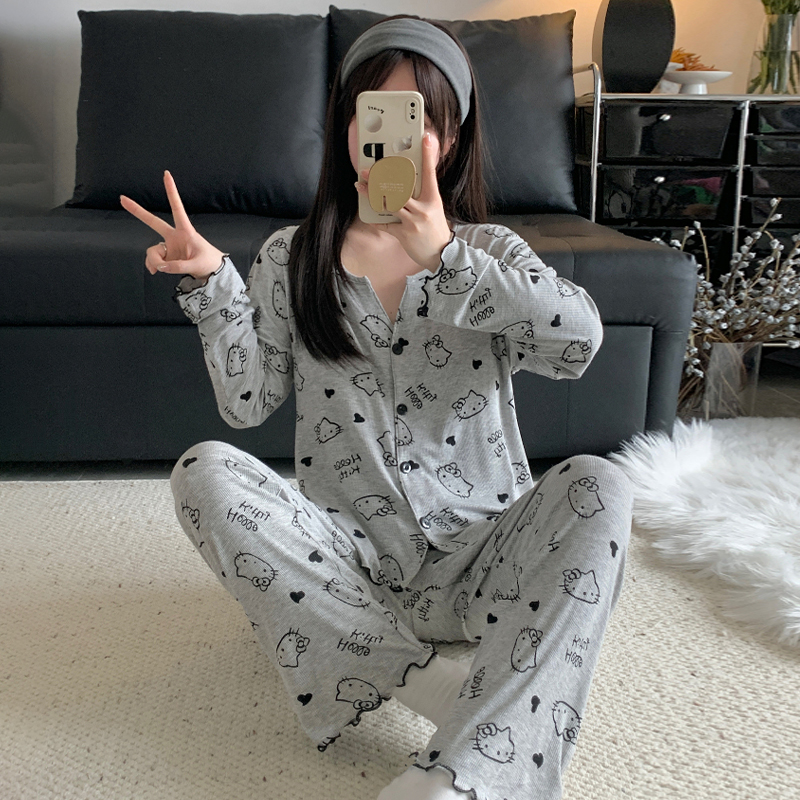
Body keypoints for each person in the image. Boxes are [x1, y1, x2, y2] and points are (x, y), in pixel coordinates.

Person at [121, 15, 633, 800]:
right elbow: (246, 403)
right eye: (374, 111)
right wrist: (211, 286)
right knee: (204, 473)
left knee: (603, 485)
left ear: (449, 139)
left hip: (486, 558)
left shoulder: (491, 253)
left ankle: (466, 778)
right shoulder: (292, 257)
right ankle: (426, 684)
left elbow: (578, 346)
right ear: (347, 127)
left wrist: (448, 260)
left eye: (417, 116)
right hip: (351, 567)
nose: (392, 135)